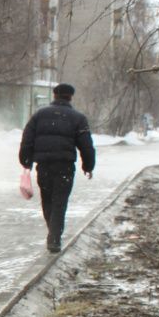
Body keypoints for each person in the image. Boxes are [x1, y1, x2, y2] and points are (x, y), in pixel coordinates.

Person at [19, 83, 95, 253]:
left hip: (43, 166)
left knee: (47, 200)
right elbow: (86, 145)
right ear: (70, 97)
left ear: (54, 96)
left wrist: (26, 161)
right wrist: (88, 166)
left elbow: (27, 139)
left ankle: (52, 233)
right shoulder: (78, 118)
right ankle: (54, 238)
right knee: (59, 202)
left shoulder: (39, 115)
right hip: (64, 167)